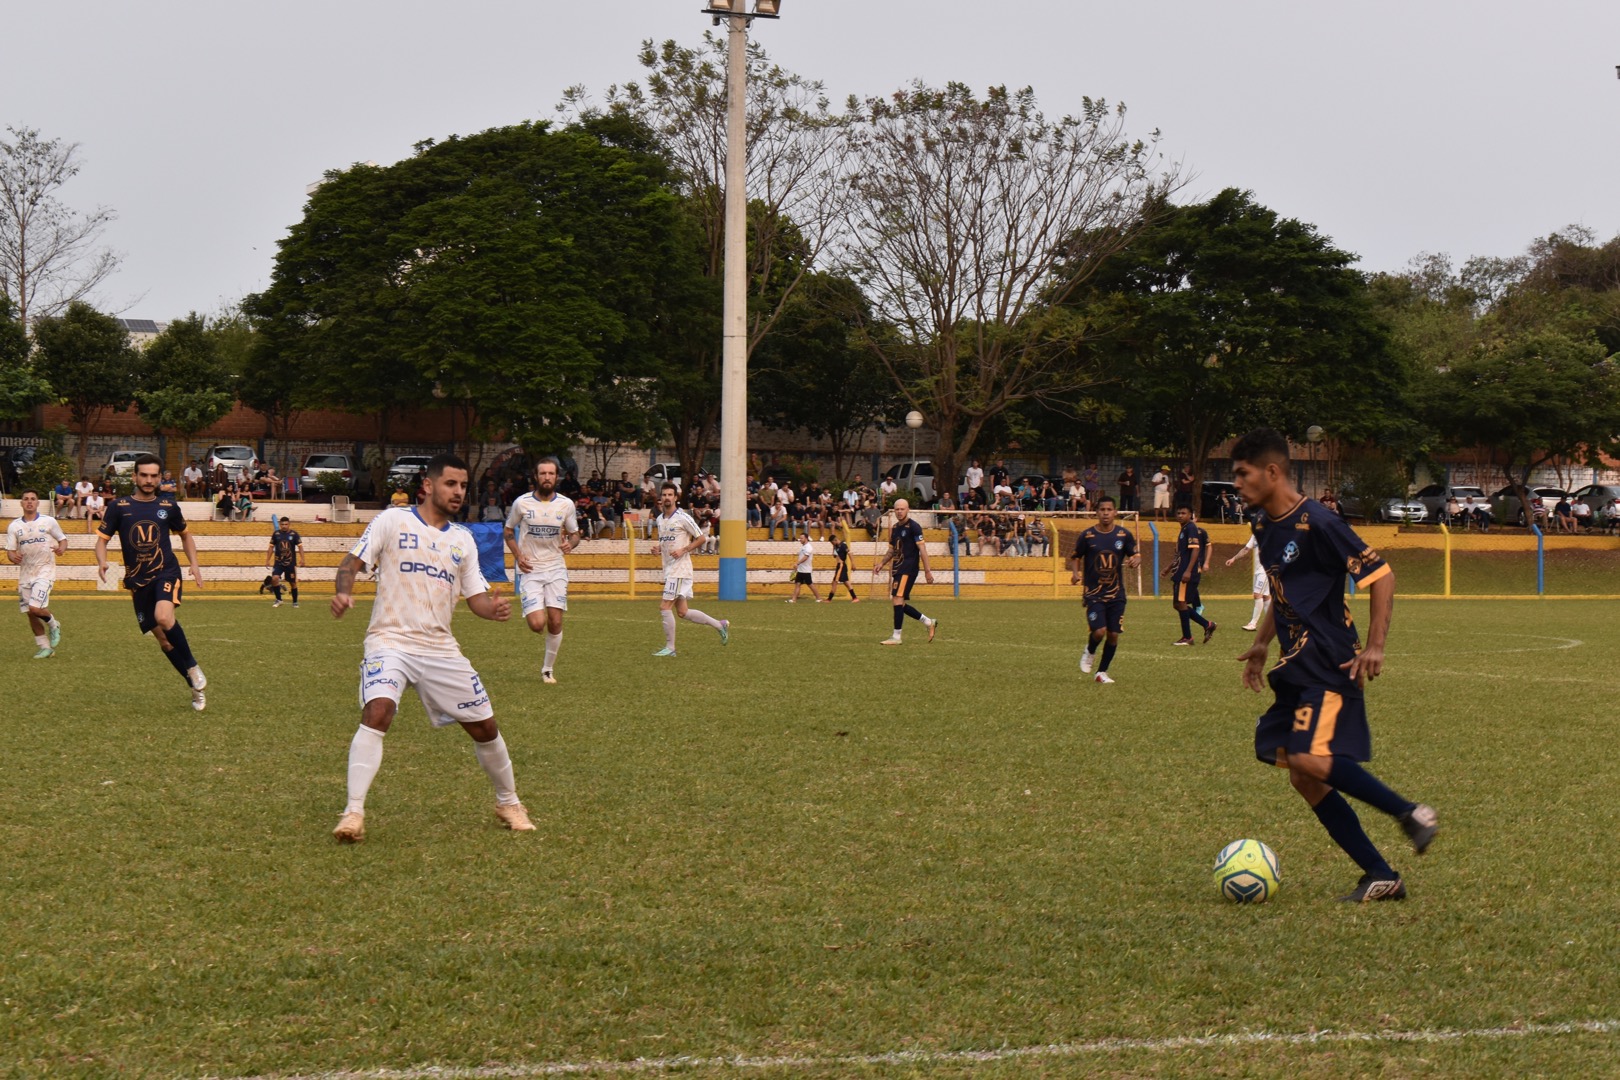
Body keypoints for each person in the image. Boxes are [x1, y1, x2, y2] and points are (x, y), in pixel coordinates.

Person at [1230, 428, 1437, 902]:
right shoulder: (1263, 524)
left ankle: (1412, 813)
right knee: (1303, 776)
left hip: (1329, 661)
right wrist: (1262, 644)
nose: (1237, 484)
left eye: (1243, 474)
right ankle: (1380, 874)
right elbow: (1282, 593)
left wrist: (1376, 646)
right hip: (1295, 664)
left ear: (1272, 471)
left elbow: (1381, 576)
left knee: (1308, 758)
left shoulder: (1320, 522)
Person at [329, 453, 532, 842]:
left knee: (485, 728)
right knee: (379, 710)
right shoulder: (393, 520)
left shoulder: (462, 540)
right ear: (428, 485)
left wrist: (494, 609)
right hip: (390, 639)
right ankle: (353, 812)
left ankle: (508, 801)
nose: (458, 492)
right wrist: (344, 593)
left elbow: (476, 600)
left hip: (440, 648)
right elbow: (351, 563)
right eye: (450, 484)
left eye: (462, 486)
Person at [94, 454, 209, 710]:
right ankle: (193, 686)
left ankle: (192, 665)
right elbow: (101, 541)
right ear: (134, 476)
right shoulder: (119, 506)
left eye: (153, 476)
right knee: (164, 641)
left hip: (166, 571)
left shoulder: (168, 506)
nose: (148, 480)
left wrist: (194, 564)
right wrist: (102, 561)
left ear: (160, 478)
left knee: (164, 617)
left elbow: (185, 536)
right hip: (137, 581)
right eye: (143, 475)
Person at [505, 456, 579, 686]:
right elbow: (508, 531)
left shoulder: (566, 505)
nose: (547, 477)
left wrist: (571, 543)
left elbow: (575, 534)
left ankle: (547, 669)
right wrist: (518, 555)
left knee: (555, 622)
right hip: (531, 569)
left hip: (556, 567)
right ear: (535, 477)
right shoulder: (522, 503)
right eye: (543, 473)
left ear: (557, 477)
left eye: (551, 474)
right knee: (537, 624)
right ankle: (539, 610)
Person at [1068, 495, 1141, 684]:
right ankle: (1090, 651)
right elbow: (1075, 556)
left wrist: (1136, 560)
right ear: (1096, 512)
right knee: (1099, 631)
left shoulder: (1124, 535)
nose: (1106, 513)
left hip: (1117, 593)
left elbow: (1136, 555)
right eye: (1102, 510)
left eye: (1109, 510)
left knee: (1113, 634)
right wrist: (1075, 574)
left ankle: (1101, 672)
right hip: (1094, 593)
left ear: (1115, 512)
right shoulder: (1087, 535)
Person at [652, 482, 730, 656]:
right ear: (661, 498)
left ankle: (670, 648)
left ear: (676, 497)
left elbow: (701, 538)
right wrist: (659, 548)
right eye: (664, 495)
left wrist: (684, 549)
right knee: (682, 612)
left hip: (680, 570)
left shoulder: (683, 517)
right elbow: (668, 541)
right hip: (669, 569)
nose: (667, 498)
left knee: (665, 607)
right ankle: (720, 625)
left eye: (670, 495)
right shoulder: (659, 519)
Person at [6, 489, 68, 659]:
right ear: (21, 503)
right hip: (26, 573)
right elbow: (10, 552)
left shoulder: (49, 521)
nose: (29, 502)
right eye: (26, 499)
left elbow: (63, 540)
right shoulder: (14, 526)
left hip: (45, 570)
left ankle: (54, 624)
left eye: (33, 499)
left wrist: (61, 549)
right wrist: (13, 557)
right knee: (30, 612)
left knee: (36, 607)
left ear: (38, 502)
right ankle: (45, 647)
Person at [872, 498, 938, 645]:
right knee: (899, 604)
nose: (900, 511)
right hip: (898, 568)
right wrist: (881, 563)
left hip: (908, 569)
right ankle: (928, 622)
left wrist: (928, 571)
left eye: (902, 509)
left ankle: (896, 637)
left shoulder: (914, 527)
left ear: (907, 510)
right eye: (897, 509)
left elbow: (922, 549)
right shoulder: (895, 528)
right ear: (894, 511)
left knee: (897, 599)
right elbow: (891, 550)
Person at [1166, 505, 1215, 645]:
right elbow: (1181, 554)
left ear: (1190, 515)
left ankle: (1188, 637)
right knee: (1177, 604)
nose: (1180, 515)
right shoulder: (1184, 529)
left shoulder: (1191, 528)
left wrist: (1188, 571)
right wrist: (1169, 568)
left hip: (1186, 573)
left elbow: (1195, 550)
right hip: (1180, 571)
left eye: (1184, 513)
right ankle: (1207, 624)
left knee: (1180, 603)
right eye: (1178, 513)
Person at [1225, 518, 1271, 632]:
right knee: (1266, 597)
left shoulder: (1271, 536)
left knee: (1257, 595)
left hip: (1266, 570)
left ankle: (1253, 623)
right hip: (1258, 570)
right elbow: (1246, 549)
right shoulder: (1255, 536)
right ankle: (1274, 623)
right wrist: (1233, 558)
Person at [261, 518, 306, 608]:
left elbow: (300, 547)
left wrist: (302, 559)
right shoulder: (276, 534)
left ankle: (295, 602)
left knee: (292, 583)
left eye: (286, 524)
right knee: (274, 579)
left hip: (290, 563)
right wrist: (267, 560)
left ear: (289, 524)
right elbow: (271, 547)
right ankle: (279, 600)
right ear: (280, 525)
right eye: (282, 524)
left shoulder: (294, 534)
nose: (284, 526)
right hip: (278, 562)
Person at [787, 533, 825, 603]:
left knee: (810, 584)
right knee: (797, 584)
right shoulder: (804, 546)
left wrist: (797, 563)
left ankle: (819, 598)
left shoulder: (808, 547)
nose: (800, 540)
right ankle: (794, 599)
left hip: (806, 570)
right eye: (800, 538)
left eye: (801, 538)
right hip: (801, 569)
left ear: (806, 538)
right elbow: (798, 540)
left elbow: (806, 557)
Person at [830, 529, 859, 602]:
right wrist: (833, 548)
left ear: (835, 540)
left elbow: (850, 553)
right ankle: (855, 598)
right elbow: (834, 555)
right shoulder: (836, 546)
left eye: (832, 542)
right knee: (846, 582)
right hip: (839, 565)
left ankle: (829, 599)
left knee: (835, 582)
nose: (832, 544)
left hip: (841, 565)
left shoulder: (843, 545)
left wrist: (853, 563)